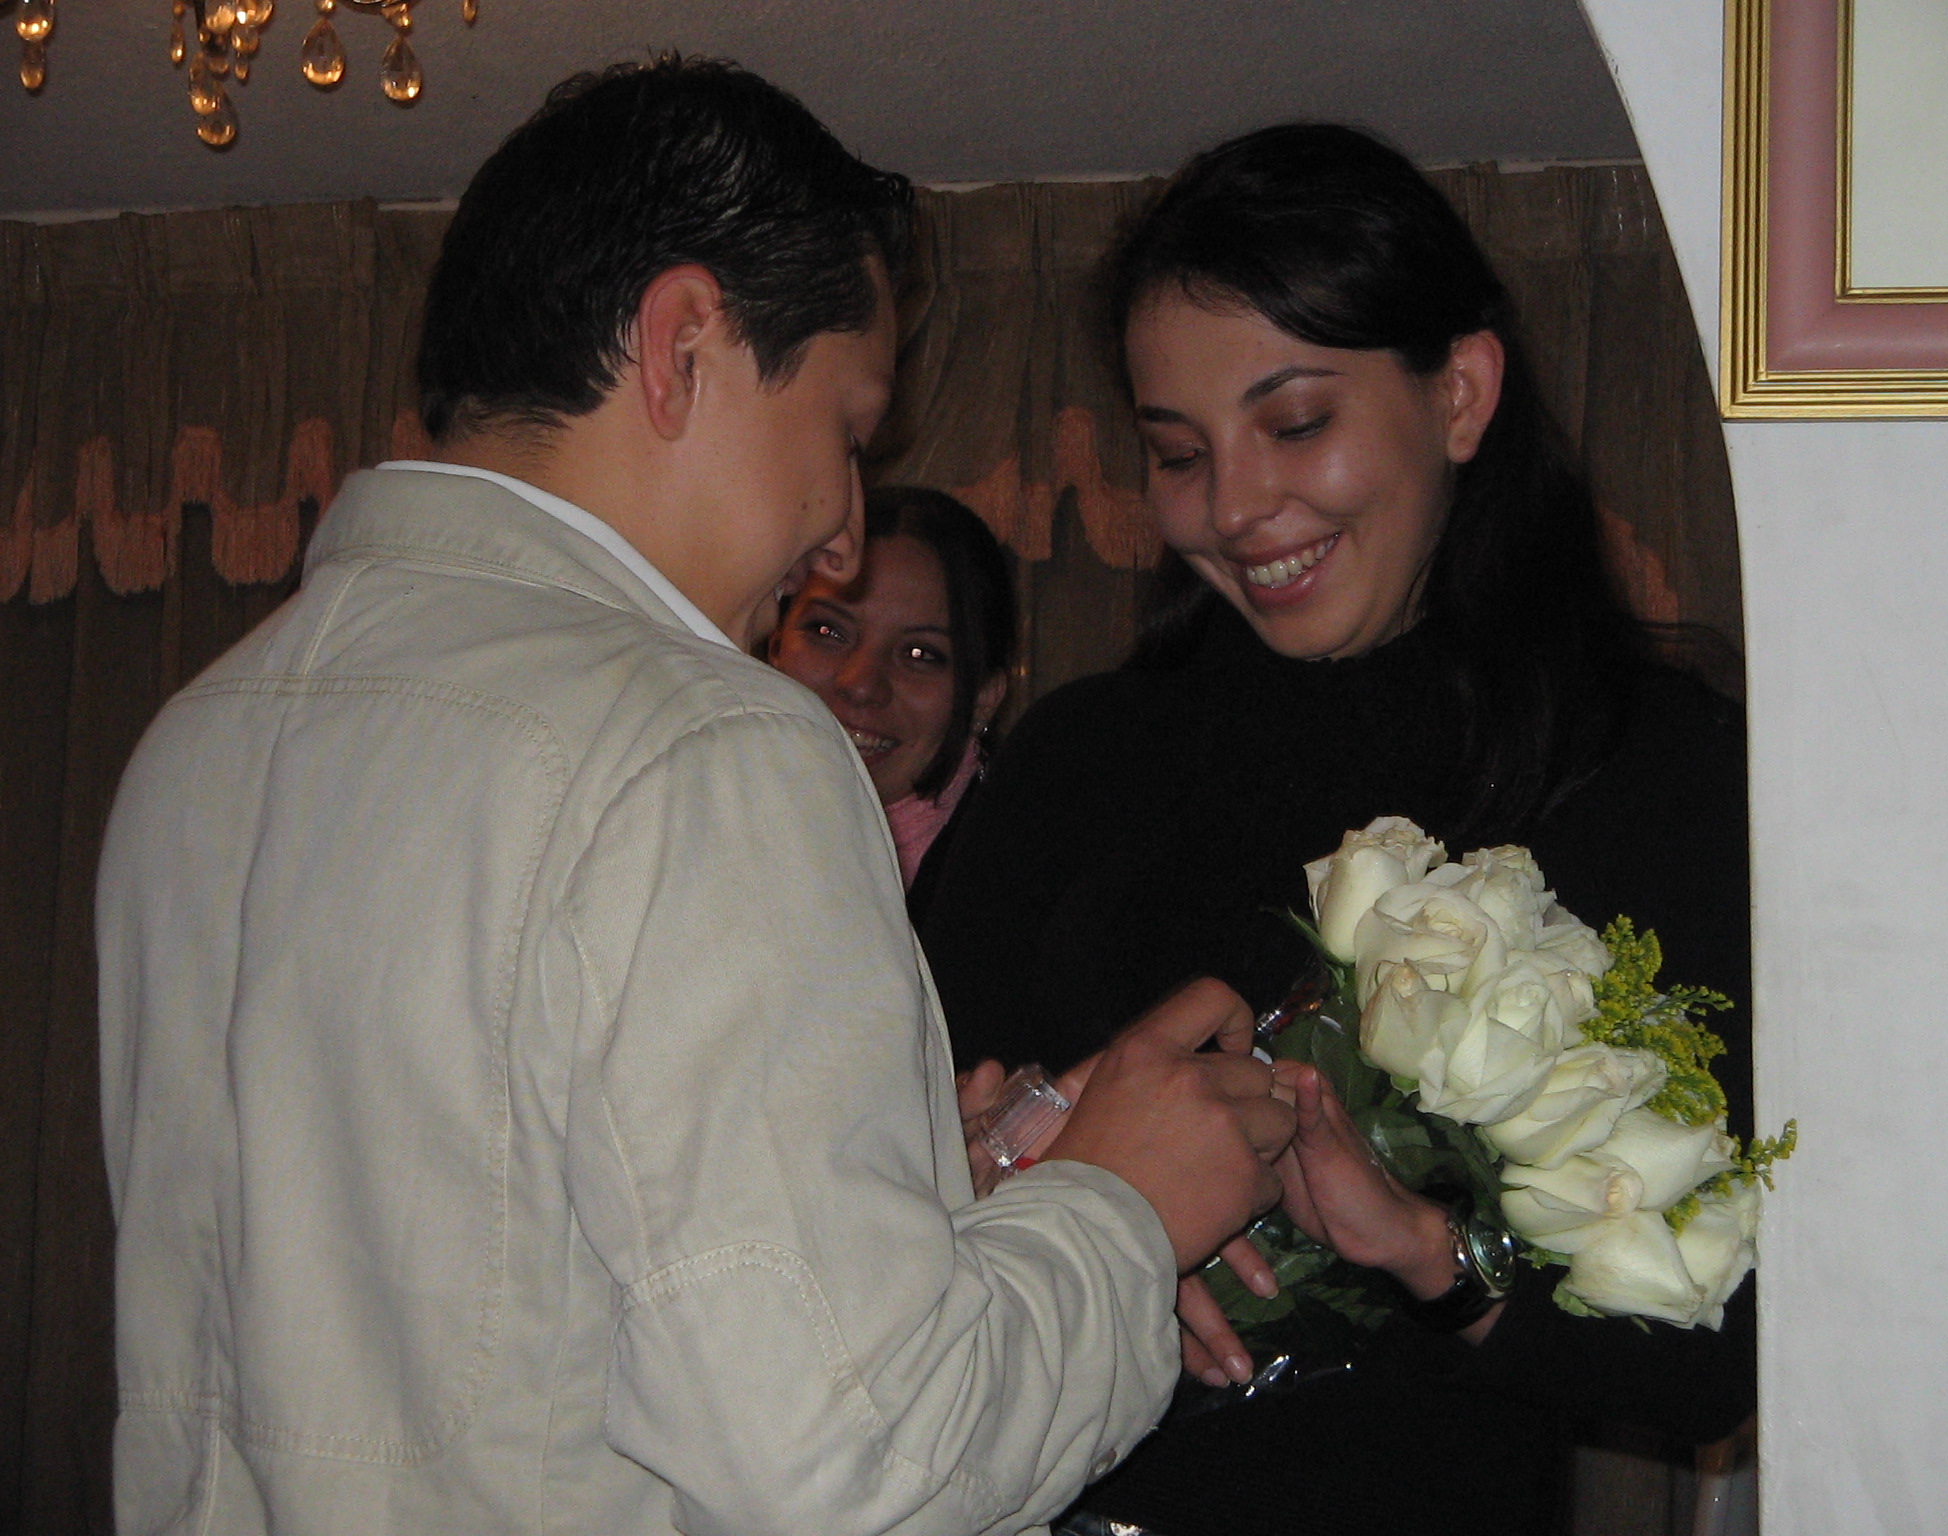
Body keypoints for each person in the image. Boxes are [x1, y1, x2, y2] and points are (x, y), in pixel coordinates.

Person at [96, 59, 1299, 1536]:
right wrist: (1120, 1203)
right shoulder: (703, 742)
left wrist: (924, 1204)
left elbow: (492, 1303)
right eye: (846, 434)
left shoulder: (196, 741)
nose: (843, 535)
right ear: (681, 345)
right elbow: (860, 1468)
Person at [920, 123, 1755, 1536]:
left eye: (1295, 423)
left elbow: (1710, 1361)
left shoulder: (1641, 767)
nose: (1236, 507)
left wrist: (1431, 1254)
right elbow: (867, 1192)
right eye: (1177, 452)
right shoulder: (1076, 759)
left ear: (1461, 393)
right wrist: (1038, 1198)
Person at [770, 485, 1015, 924]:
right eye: (828, 632)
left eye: (919, 654)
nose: (861, 684)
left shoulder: (1013, 895)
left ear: (983, 698)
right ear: (774, 642)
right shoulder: (684, 811)